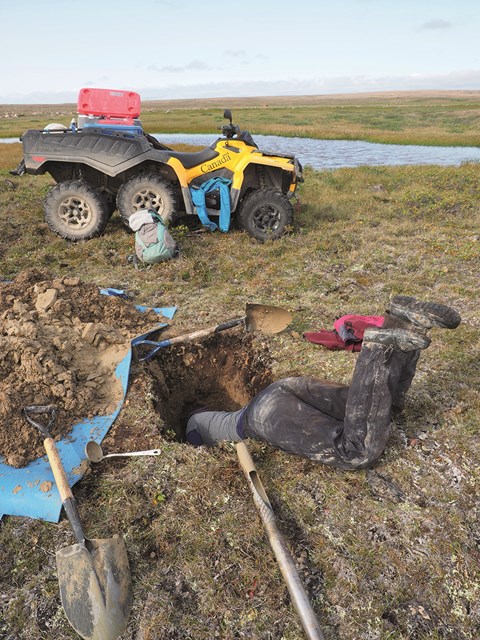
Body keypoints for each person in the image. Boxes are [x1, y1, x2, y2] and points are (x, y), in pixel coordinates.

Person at [185, 296, 461, 470]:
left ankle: (379, 346)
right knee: (375, 409)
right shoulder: (207, 416)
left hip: (264, 418)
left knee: (357, 450)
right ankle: (404, 323)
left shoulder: (192, 426)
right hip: (279, 391)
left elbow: (196, 449)